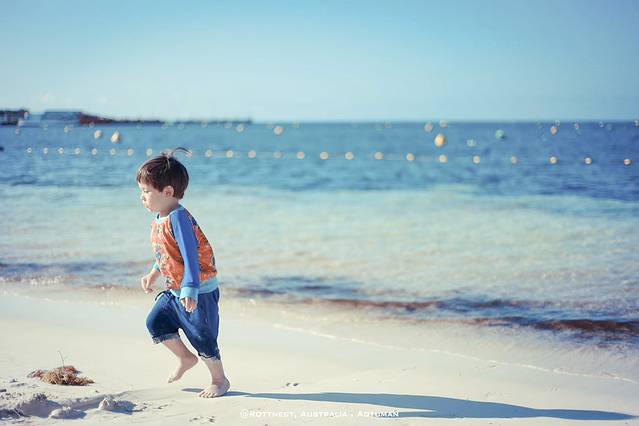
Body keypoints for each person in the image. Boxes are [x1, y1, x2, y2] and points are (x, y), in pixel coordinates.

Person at [137, 147, 230, 398]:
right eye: (141, 191)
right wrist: (154, 273)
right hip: (175, 289)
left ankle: (219, 380)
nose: (142, 197)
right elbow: (167, 254)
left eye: (146, 191)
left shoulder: (178, 218)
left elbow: (189, 255)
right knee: (155, 322)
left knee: (202, 335)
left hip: (198, 289)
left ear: (167, 192)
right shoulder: (160, 218)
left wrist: (190, 288)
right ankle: (185, 358)